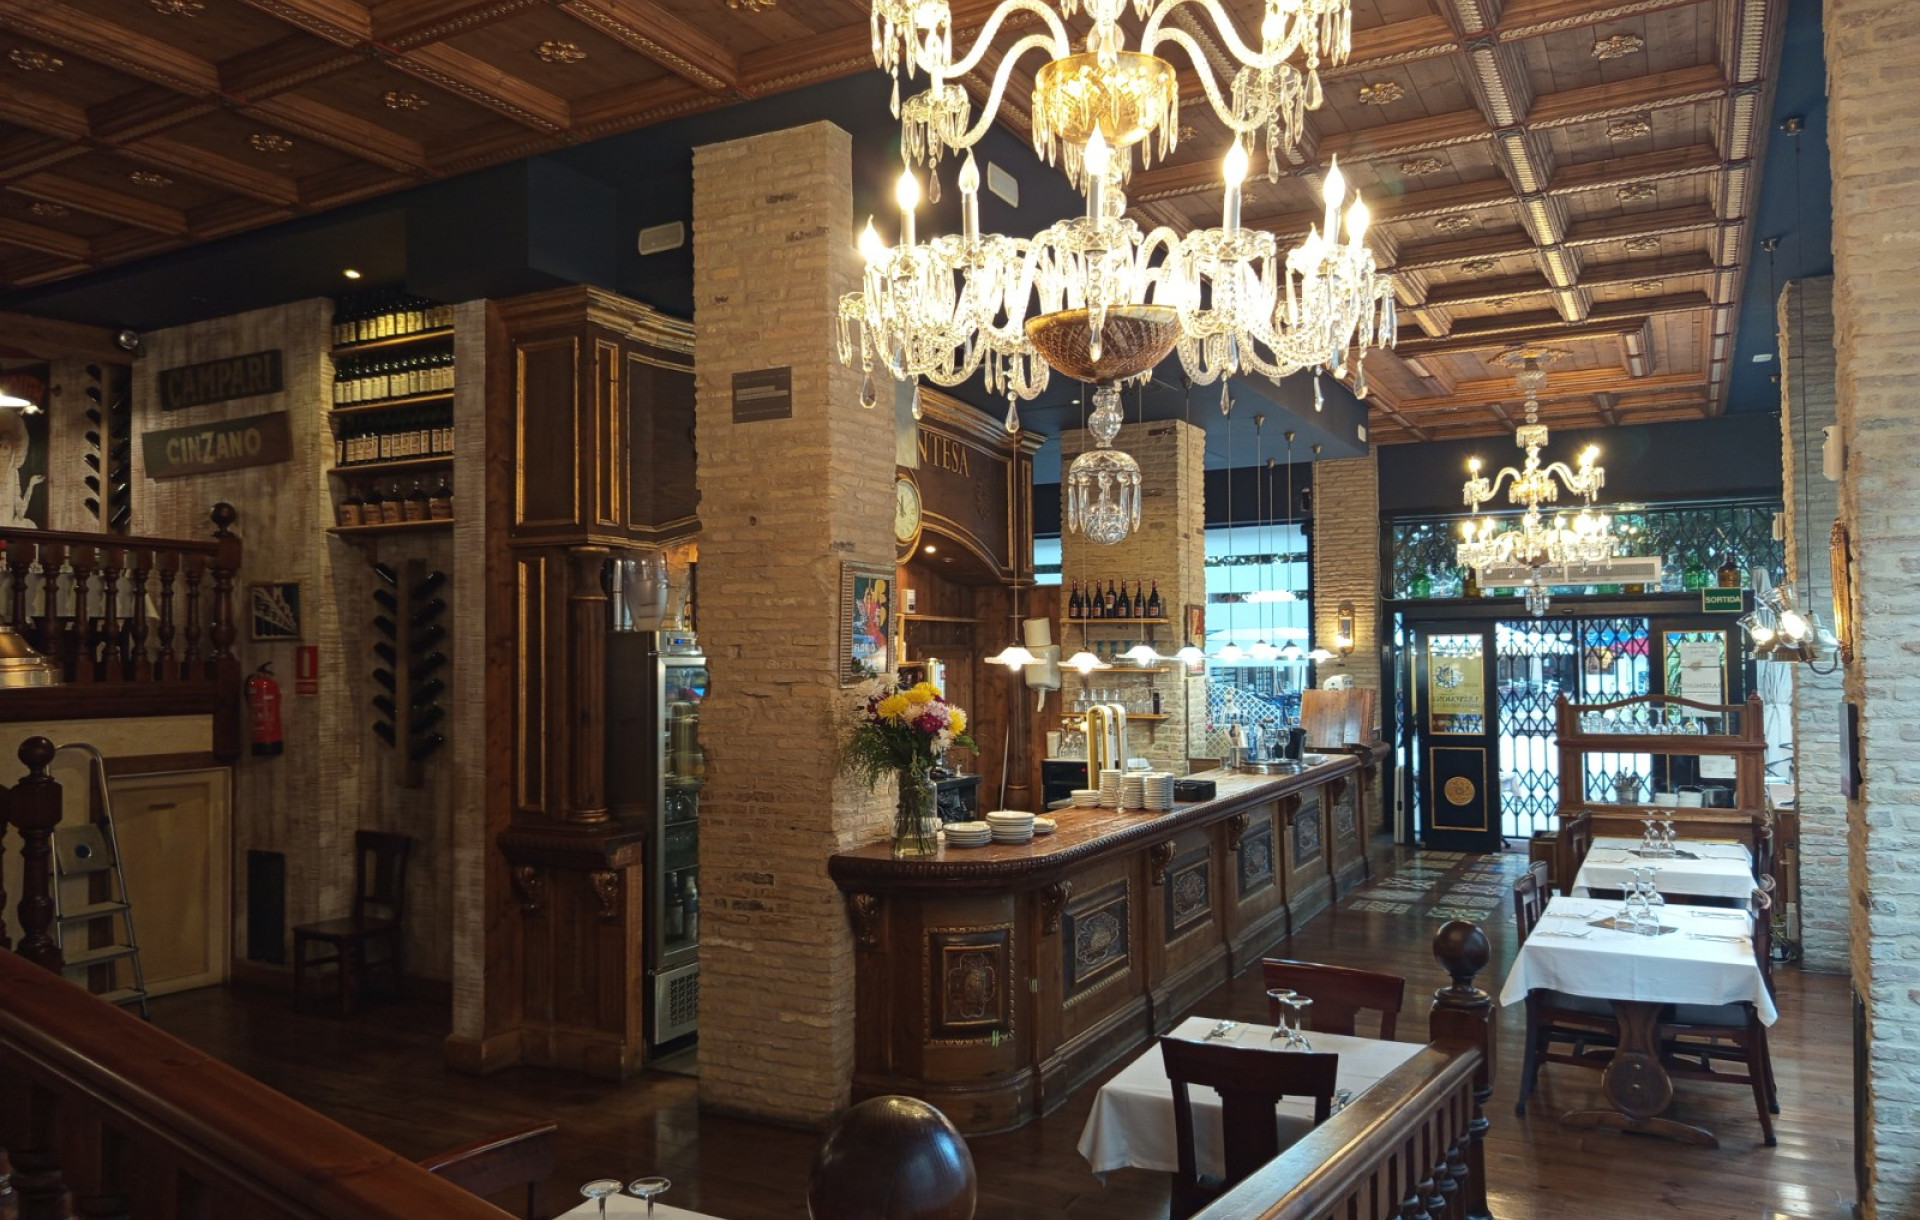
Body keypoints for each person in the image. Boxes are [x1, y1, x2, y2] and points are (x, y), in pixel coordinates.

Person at [0, 409, 43, 528]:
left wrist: (31, 485)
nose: (1, 451)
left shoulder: (13, 474)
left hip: (8, 529)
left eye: (6, 447)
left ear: (13, 451)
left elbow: (20, 513)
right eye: (0, 445)